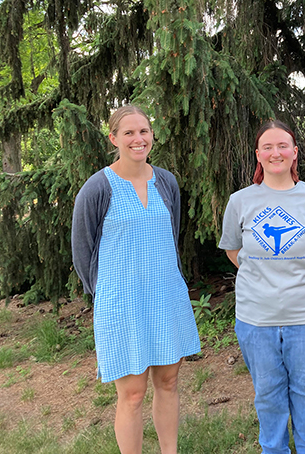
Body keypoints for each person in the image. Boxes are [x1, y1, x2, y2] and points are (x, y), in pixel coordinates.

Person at [71, 105, 201, 454]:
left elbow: (171, 237)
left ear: (152, 135)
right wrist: (104, 294)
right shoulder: (98, 188)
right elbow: (83, 251)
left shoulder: (167, 182)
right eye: (128, 133)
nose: (137, 139)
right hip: (121, 302)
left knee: (169, 382)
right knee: (131, 394)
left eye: (143, 131)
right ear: (113, 138)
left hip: (165, 295)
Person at [218, 120, 305, 454]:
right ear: (258, 154)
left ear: (295, 152)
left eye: (283, 146)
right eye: (267, 147)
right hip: (256, 318)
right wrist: (262, 272)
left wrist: (295, 273)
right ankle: (273, 449)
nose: (276, 153)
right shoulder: (240, 202)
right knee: (267, 393)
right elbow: (232, 250)